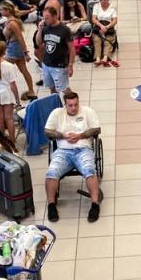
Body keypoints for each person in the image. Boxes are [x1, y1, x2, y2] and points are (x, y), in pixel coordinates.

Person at [44, 90, 103, 223]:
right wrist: (63, 135)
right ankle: (51, 205)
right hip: (63, 151)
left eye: (76, 104)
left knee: (89, 170)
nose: (73, 108)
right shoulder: (57, 113)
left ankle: (95, 204)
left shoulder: (88, 111)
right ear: (65, 105)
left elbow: (97, 129)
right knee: (51, 173)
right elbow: (47, 131)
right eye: (70, 105)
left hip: (83, 149)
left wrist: (80, 135)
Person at [0, 1, 35, 100]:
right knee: (23, 70)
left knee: (0, 68)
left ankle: (7, 93)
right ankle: (31, 91)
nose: (0, 11)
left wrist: (26, 53)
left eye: (1, 9)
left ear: (7, 10)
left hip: (13, 50)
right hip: (15, 48)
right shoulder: (13, 19)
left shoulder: (12, 23)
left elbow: (20, 38)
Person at [0, 42, 20, 149]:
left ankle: (3, 143)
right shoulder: (9, 66)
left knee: (0, 118)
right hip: (6, 92)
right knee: (9, 119)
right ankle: (13, 143)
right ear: (4, 51)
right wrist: (17, 98)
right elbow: (13, 85)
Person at [40, 5, 74, 94]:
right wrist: (40, 30)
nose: (45, 20)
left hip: (59, 66)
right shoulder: (45, 27)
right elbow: (38, 42)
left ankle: (74, 104)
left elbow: (72, 49)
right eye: (44, 18)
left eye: (47, 18)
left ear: (55, 16)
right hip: (47, 64)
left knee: (64, 89)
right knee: (52, 88)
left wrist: (70, 65)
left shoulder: (64, 30)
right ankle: (55, 106)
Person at [89, 0, 118, 67]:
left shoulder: (112, 7)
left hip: (109, 27)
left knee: (108, 41)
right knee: (96, 40)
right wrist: (101, 26)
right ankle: (97, 58)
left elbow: (115, 21)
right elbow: (94, 19)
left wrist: (107, 27)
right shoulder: (96, 6)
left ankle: (105, 57)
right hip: (99, 26)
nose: (103, 1)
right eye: (101, 0)